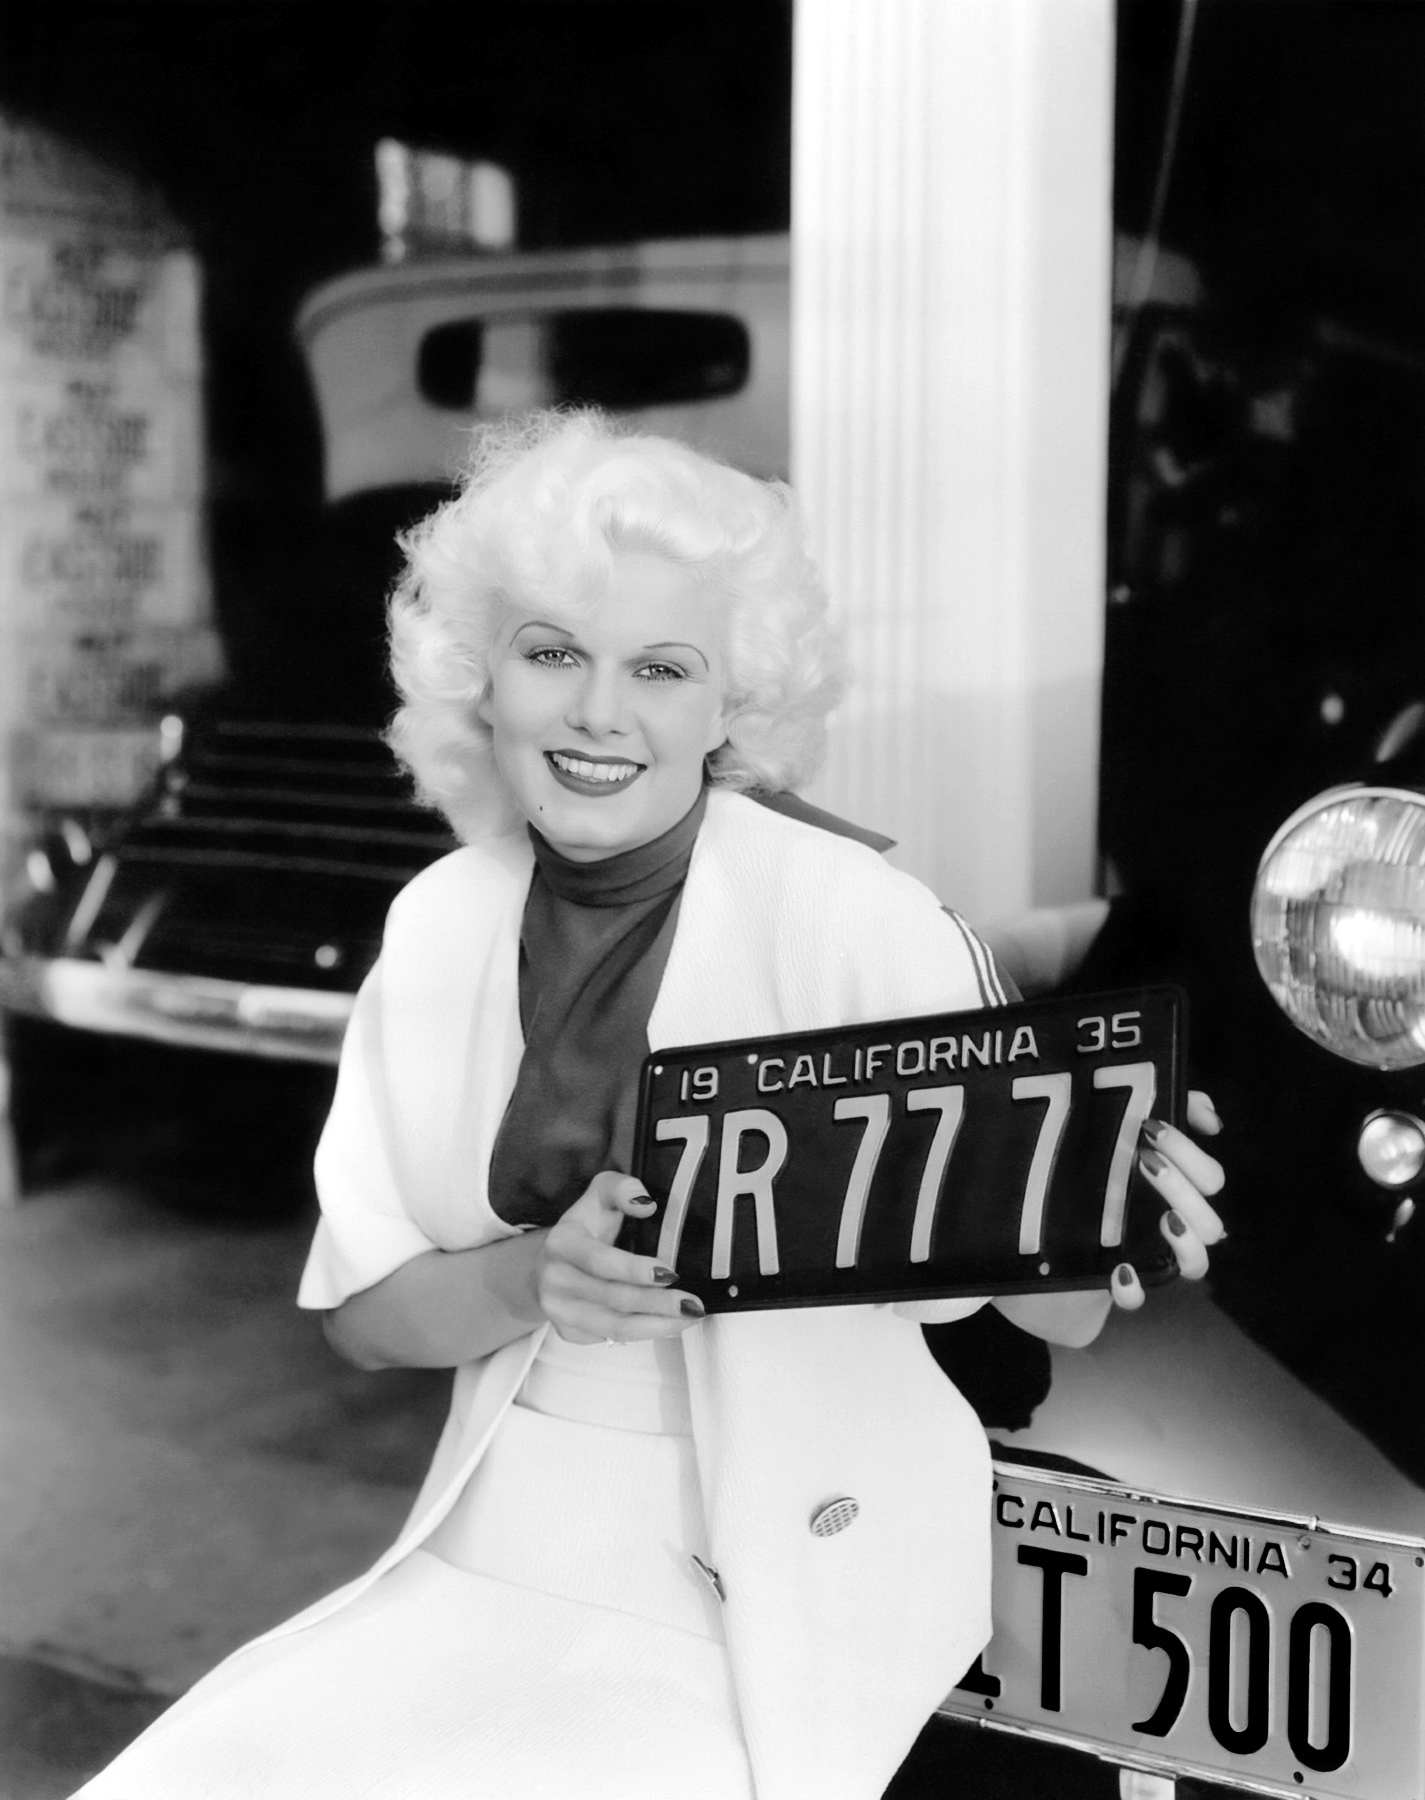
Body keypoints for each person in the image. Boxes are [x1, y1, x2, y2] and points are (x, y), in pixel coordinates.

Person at [78, 410, 1224, 1800]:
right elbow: (365, 1321)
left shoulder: (855, 919)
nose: (599, 713)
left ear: (731, 705)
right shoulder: (438, 923)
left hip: (790, 1567)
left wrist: (1118, 1199)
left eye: (661, 668)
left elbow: (1061, 1311)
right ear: (480, 678)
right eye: (552, 652)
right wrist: (534, 1281)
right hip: (501, 1536)